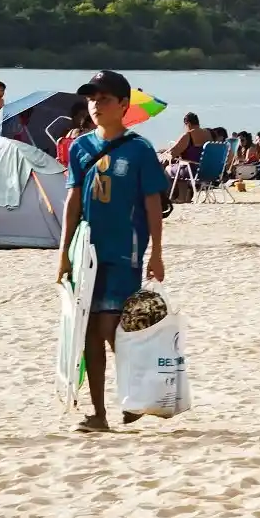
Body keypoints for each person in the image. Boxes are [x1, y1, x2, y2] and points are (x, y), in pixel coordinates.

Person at [57, 70, 168, 434]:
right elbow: (73, 199)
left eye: (104, 99)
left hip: (125, 250)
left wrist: (157, 252)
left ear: (124, 105)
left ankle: (134, 396)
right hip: (87, 251)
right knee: (87, 330)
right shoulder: (79, 147)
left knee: (110, 328)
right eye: (92, 99)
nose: (95, 106)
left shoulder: (139, 149)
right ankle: (101, 412)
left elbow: (153, 201)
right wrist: (63, 253)